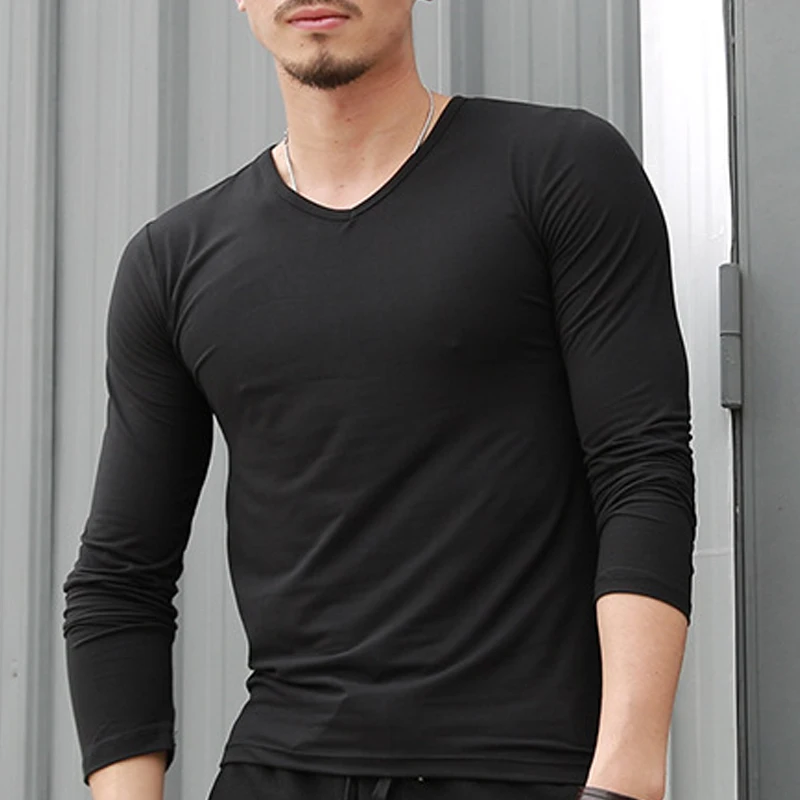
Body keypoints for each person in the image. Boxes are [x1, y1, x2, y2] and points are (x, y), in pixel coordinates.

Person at [62, 1, 696, 799]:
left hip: (523, 766)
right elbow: (120, 580)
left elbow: (641, 472)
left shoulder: (559, 170)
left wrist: (626, 777)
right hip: (276, 770)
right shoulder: (172, 262)